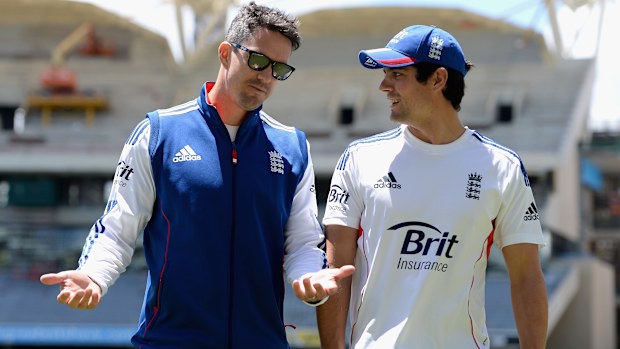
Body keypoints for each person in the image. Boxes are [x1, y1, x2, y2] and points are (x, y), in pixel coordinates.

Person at [40, 2, 353, 348]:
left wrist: (308, 279)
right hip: (170, 340)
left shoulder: (293, 147)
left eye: (279, 69)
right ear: (224, 53)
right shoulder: (158, 132)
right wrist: (93, 275)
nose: (266, 76)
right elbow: (117, 227)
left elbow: (303, 243)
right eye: (259, 60)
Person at [317, 25, 548, 349]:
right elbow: (336, 267)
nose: (383, 86)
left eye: (397, 75)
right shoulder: (358, 159)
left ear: (438, 80)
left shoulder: (503, 167)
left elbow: (526, 277)